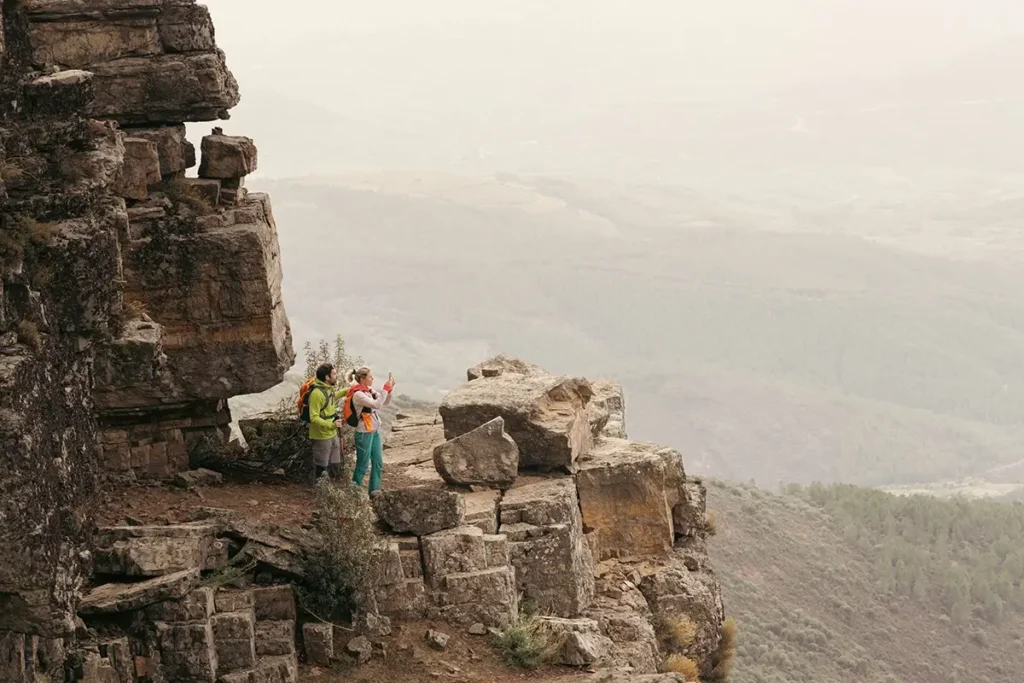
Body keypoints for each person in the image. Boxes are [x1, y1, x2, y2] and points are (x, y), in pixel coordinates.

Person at [343, 366, 394, 496]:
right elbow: (376, 404)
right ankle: (353, 493)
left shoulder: (368, 391)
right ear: (362, 379)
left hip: (374, 430)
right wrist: (385, 389)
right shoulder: (358, 394)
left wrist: (389, 391)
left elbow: (384, 402)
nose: (372, 379)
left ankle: (374, 491)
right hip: (364, 432)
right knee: (363, 464)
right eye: (370, 377)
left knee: (377, 462)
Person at [307, 363, 342, 480]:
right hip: (321, 436)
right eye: (334, 374)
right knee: (322, 467)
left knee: (335, 464)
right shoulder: (316, 394)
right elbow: (314, 417)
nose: (336, 376)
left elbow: (331, 398)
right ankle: (320, 489)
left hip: (332, 434)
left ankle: (331, 487)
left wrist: (349, 390)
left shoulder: (327, 389)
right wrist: (331, 425)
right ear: (327, 377)